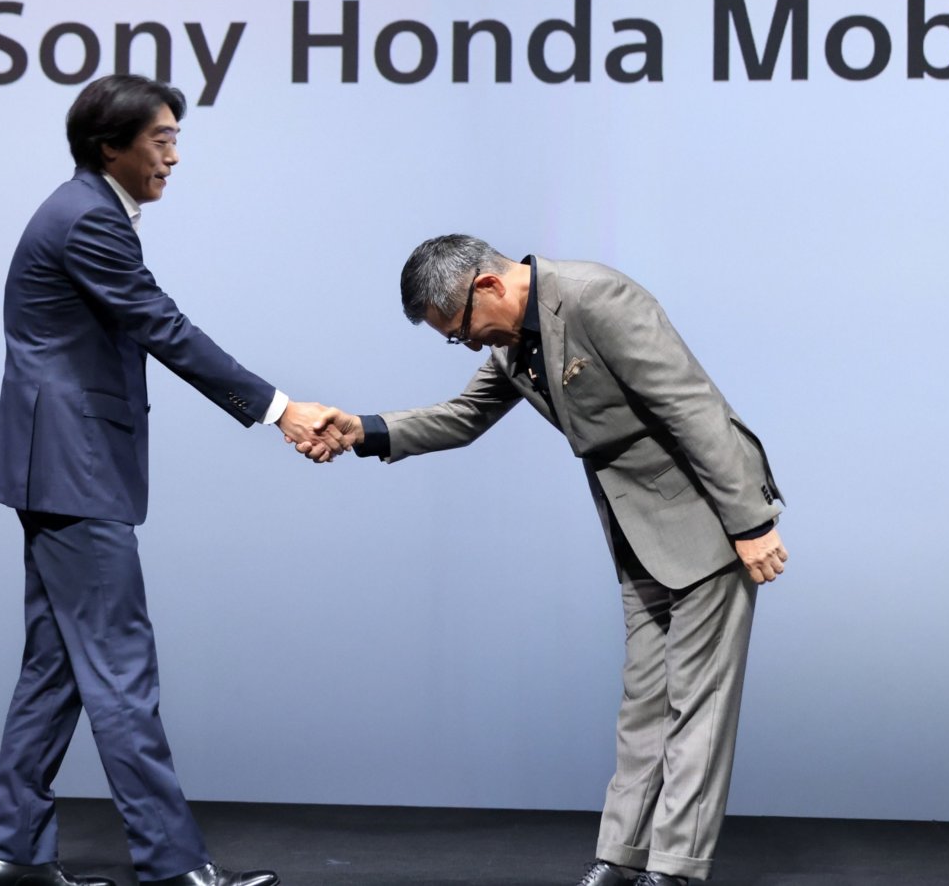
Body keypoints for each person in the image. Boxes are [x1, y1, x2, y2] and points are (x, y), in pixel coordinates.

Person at [307, 235, 788, 885]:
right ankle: (621, 858)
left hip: (705, 517)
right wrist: (364, 430)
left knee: (697, 703)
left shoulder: (595, 298)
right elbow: (464, 417)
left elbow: (691, 406)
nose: (470, 345)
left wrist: (750, 521)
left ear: (487, 286)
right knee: (644, 702)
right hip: (636, 530)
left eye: (462, 332)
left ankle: (675, 869)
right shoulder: (514, 343)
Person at [0, 74, 337, 886]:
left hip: (61, 467)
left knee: (56, 671)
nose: (174, 156)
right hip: (73, 468)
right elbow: (162, 325)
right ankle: (174, 867)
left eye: (177, 139)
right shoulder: (87, 220)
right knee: (119, 667)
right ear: (111, 146)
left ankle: (14, 854)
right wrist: (279, 409)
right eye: (162, 139)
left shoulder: (86, 211)